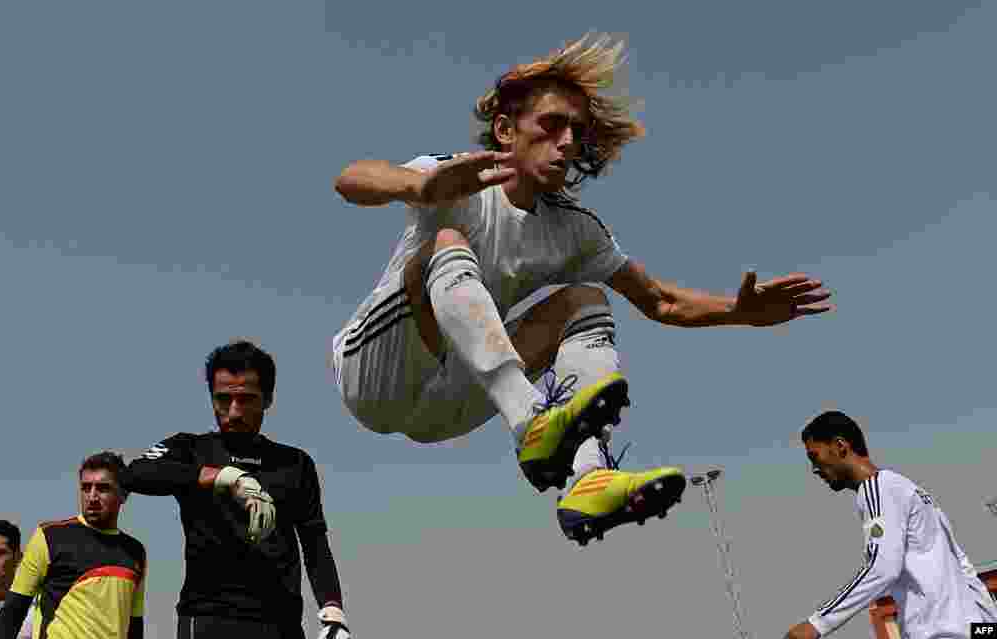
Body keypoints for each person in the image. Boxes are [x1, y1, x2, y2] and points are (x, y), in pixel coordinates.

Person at [331, 33, 834, 544]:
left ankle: (588, 476)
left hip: (450, 405)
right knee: (445, 239)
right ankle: (530, 420)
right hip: (374, 372)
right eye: (551, 126)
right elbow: (351, 178)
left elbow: (658, 299)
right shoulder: (461, 182)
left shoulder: (574, 228)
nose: (567, 143)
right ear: (505, 130)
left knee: (586, 301)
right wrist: (421, 186)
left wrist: (738, 311)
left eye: (576, 131)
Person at [123, 341, 350, 639]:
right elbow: (135, 474)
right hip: (207, 618)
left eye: (246, 399)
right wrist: (221, 477)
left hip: (280, 622)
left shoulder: (295, 464)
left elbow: (315, 545)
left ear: (268, 399)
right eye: (222, 399)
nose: (233, 412)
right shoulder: (190, 449)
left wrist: (333, 610)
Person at [783, 411, 997, 639]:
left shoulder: (877, 489)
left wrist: (816, 625)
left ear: (840, 446)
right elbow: (964, 568)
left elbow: (881, 567)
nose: (814, 469)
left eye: (814, 457)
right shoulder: (909, 489)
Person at [0, 452, 146, 639]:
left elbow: (134, 626)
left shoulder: (135, 552)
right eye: (86, 488)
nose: (92, 496)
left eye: (103, 488)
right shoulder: (49, 536)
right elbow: (13, 611)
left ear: (123, 495)